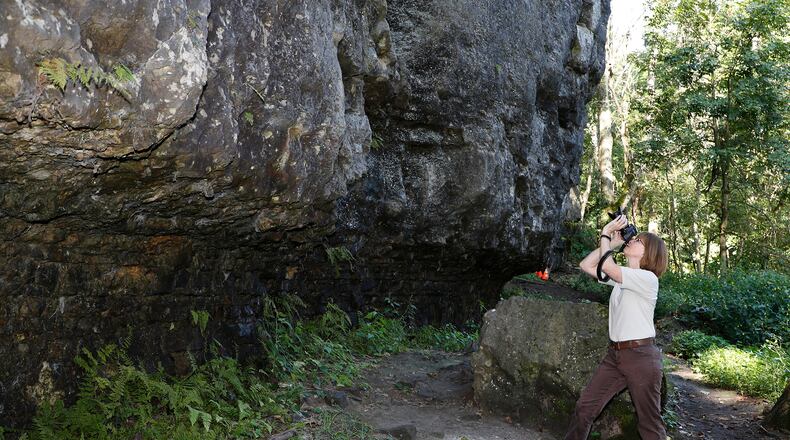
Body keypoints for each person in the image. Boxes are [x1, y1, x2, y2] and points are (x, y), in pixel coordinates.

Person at [564, 214, 669, 440]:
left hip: (641, 357)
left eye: (638, 240)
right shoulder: (623, 280)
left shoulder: (648, 279)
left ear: (650, 253)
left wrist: (605, 233)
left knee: (649, 424)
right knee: (585, 408)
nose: (632, 240)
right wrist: (612, 242)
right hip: (615, 355)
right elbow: (586, 265)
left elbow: (609, 267)